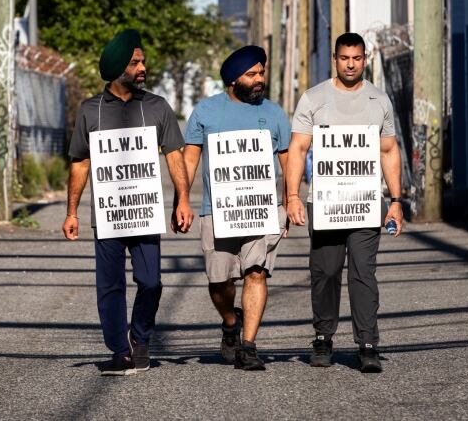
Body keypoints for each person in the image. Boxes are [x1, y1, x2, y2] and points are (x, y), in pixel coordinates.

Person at [62, 29, 193, 376]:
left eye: (143, 61)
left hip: (144, 212)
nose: (142, 67)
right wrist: (71, 211)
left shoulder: (157, 107)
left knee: (151, 281)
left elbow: (175, 156)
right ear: (119, 68)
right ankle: (119, 350)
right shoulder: (91, 110)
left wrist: (183, 199)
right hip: (107, 216)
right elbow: (80, 163)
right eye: (135, 62)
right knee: (110, 284)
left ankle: (141, 336)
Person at [285, 32, 404, 373]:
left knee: (364, 273)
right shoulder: (314, 98)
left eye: (356, 58)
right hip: (326, 204)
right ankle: (323, 337)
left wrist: (395, 200)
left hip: (366, 203)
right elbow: (298, 148)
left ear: (364, 59)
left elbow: (389, 150)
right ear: (334, 60)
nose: (350, 64)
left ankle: (368, 343)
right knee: (325, 272)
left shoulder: (378, 100)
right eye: (344, 58)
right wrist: (293, 196)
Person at [181, 46, 291, 371]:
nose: (260, 79)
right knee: (219, 282)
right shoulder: (206, 111)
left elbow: (289, 160)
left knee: (256, 272)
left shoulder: (274, 114)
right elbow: (189, 158)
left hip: (261, 209)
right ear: (232, 80)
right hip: (217, 210)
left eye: (262, 73)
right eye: (251, 75)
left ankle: (249, 346)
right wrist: (182, 200)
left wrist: (290, 200)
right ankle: (231, 321)